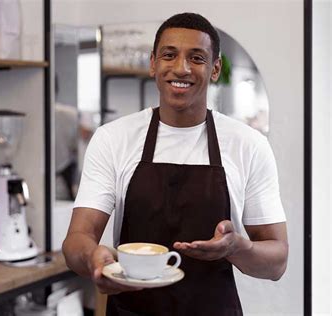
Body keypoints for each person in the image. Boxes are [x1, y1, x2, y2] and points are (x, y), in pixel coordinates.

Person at [62, 12, 288, 315]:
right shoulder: (113, 139)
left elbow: (277, 261)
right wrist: (93, 258)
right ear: (153, 63)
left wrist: (236, 247)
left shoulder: (248, 145)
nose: (181, 68)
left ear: (215, 69)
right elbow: (77, 239)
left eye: (197, 58)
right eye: (170, 55)